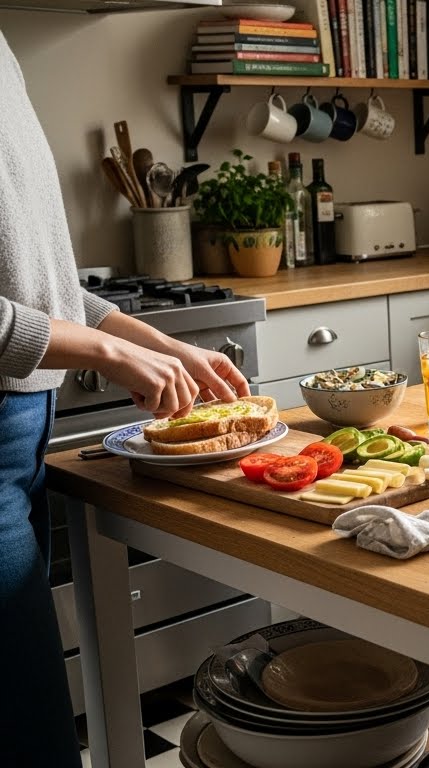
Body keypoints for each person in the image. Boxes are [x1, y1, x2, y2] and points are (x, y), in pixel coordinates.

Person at [0, 29, 250, 766]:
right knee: (29, 727)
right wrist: (110, 353)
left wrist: (161, 344)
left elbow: (37, 282)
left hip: (21, 421)